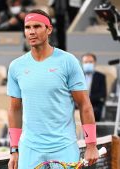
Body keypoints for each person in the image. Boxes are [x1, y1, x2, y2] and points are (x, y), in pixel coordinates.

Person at [7, 9, 99, 169]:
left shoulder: (68, 61)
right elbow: (14, 109)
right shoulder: (16, 66)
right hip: (29, 148)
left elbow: (84, 105)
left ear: (49, 29)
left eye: (37, 26)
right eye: (27, 27)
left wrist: (91, 145)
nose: (31, 32)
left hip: (64, 147)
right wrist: (14, 150)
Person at [81, 53, 106, 122]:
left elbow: (102, 94)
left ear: (94, 63)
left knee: (93, 112)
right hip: (79, 104)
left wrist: (86, 101)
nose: (88, 64)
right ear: (82, 63)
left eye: (90, 62)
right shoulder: (77, 76)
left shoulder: (101, 76)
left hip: (94, 105)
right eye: (86, 62)